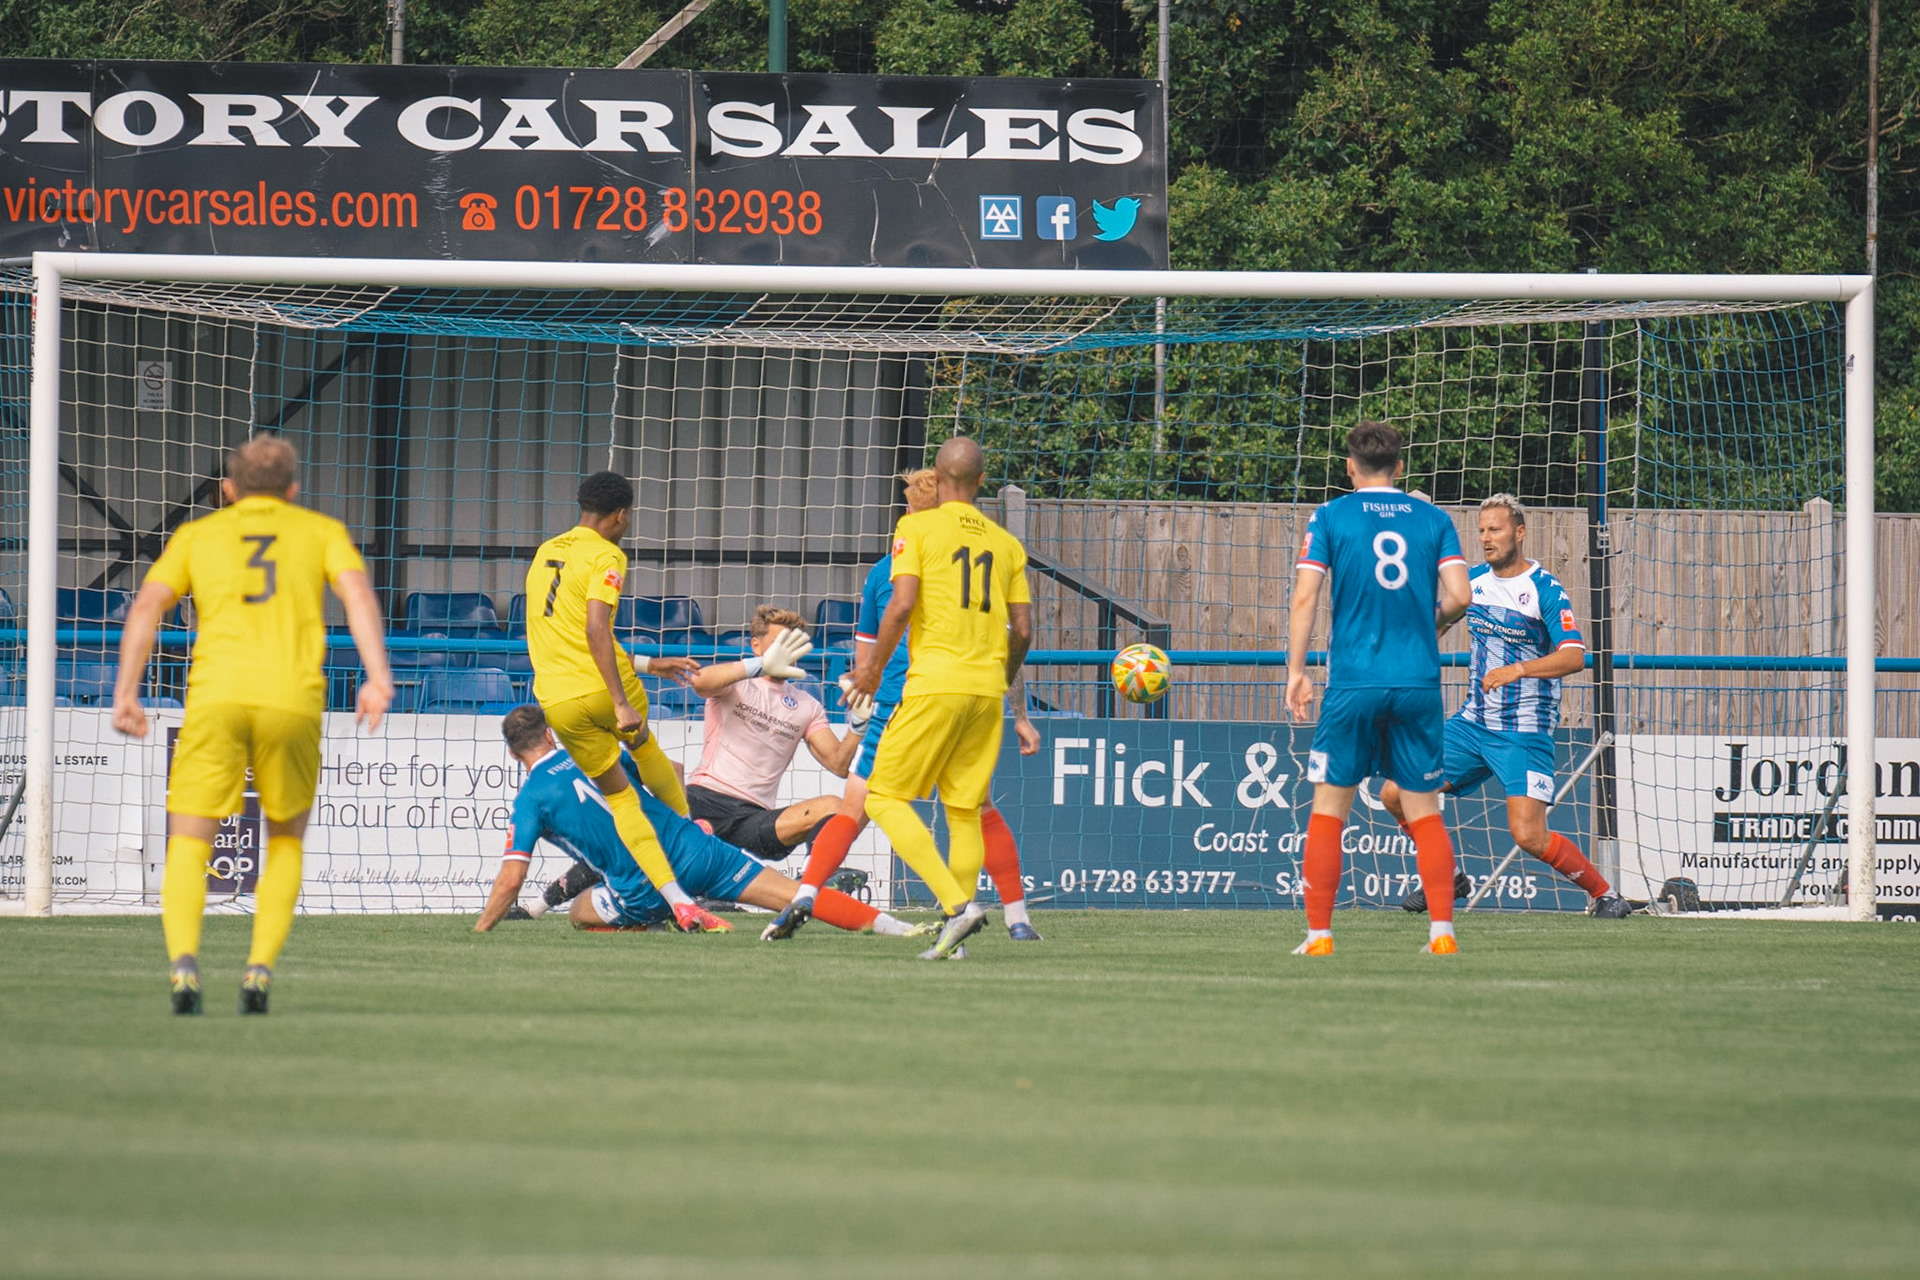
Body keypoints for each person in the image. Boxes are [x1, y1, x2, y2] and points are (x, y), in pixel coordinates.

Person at [111, 436, 394, 1015]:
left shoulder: (196, 536)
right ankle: (258, 970)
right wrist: (377, 677)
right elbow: (358, 594)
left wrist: (126, 693)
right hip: (292, 699)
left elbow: (145, 608)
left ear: (228, 490)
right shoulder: (320, 532)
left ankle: (185, 967)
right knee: (284, 838)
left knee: (189, 840)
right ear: (292, 491)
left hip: (216, 698)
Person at [763, 468, 1044, 944]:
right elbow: (1014, 637)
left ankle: (807, 893)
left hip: (906, 700)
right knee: (975, 808)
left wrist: (863, 682)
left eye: (909, 506)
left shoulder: (890, 566)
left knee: (860, 804)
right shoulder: (995, 551)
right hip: (975, 695)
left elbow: (867, 649)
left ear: (918, 509)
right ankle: (1017, 919)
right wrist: (1018, 713)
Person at [1382, 495, 1632, 918]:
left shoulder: (1545, 589)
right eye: (1481, 531)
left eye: (1494, 530)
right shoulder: (1473, 582)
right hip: (1471, 724)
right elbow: (1434, 625)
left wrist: (1518, 669)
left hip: (1523, 731)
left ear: (1519, 532)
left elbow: (1574, 657)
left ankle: (1607, 895)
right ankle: (1447, 876)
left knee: (1528, 835)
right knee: (1396, 792)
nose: (1485, 538)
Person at [475, 706, 930, 938]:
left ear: (514, 754)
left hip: (643, 885)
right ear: (551, 735)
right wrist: (681, 818)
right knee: (794, 896)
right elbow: (667, 773)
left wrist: (480, 931)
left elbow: (511, 878)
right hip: (697, 847)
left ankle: (655, 920)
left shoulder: (530, 799)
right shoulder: (594, 756)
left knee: (578, 912)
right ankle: (896, 928)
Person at [1285, 420, 1472, 956]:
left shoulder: (1330, 515)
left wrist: (1297, 672)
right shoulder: (1433, 518)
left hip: (1354, 682)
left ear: (1349, 466)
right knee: (1424, 810)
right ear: (1400, 467)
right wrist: (1427, 625)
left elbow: (1305, 599)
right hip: (1416, 681)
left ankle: (1320, 934)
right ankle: (1442, 933)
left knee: (1328, 809)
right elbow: (1460, 595)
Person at [849, 437, 1032, 961]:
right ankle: (956, 944)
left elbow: (902, 605)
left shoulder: (915, 527)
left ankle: (957, 907)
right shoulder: (1006, 544)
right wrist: (1001, 677)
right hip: (985, 690)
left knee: (883, 796)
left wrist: (871, 668)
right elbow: (1022, 629)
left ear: (938, 474)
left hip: (935, 684)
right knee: (964, 811)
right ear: (980, 482)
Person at [524, 471, 727, 933]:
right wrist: (620, 701)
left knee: (620, 801)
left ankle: (672, 898)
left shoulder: (545, 553)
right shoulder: (608, 554)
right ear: (621, 515)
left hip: (558, 701)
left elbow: (568, 633)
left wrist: (649, 663)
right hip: (601, 690)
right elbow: (597, 629)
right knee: (645, 749)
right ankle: (688, 835)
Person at [682, 605, 872, 862]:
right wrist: (759, 666)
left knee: (835, 808)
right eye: (778, 644)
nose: (786, 653)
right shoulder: (737, 683)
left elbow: (839, 764)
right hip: (705, 801)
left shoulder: (807, 705)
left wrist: (858, 725)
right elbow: (700, 682)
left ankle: (812, 881)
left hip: (754, 819)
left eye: (792, 645)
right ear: (756, 645)